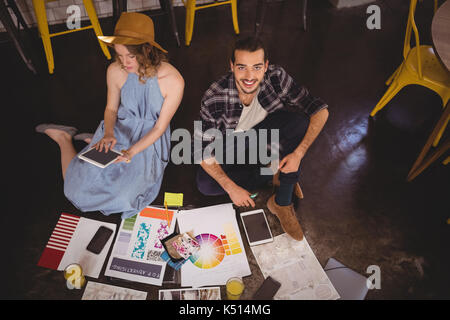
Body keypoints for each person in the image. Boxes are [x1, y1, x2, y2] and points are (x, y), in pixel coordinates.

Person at [35, 12, 184, 219]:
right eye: (119, 55)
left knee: (125, 198)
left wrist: (131, 153)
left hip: (149, 140)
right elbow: (111, 110)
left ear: (147, 49)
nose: (125, 62)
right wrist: (108, 133)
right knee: (75, 190)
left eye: (131, 56)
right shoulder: (115, 70)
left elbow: (159, 128)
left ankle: (86, 140)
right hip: (119, 128)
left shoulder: (173, 80)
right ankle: (64, 138)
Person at [195, 35, 328, 241]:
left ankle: (282, 202)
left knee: (299, 123)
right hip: (232, 144)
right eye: (242, 67)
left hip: (264, 135)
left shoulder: (276, 76)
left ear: (266, 66)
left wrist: (298, 154)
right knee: (206, 185)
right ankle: (275, 172)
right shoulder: (214, 96)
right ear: (231, 66)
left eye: (257, 67)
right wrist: (232, 188)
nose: (249, 76)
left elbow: (320, 111)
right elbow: (201, 151)